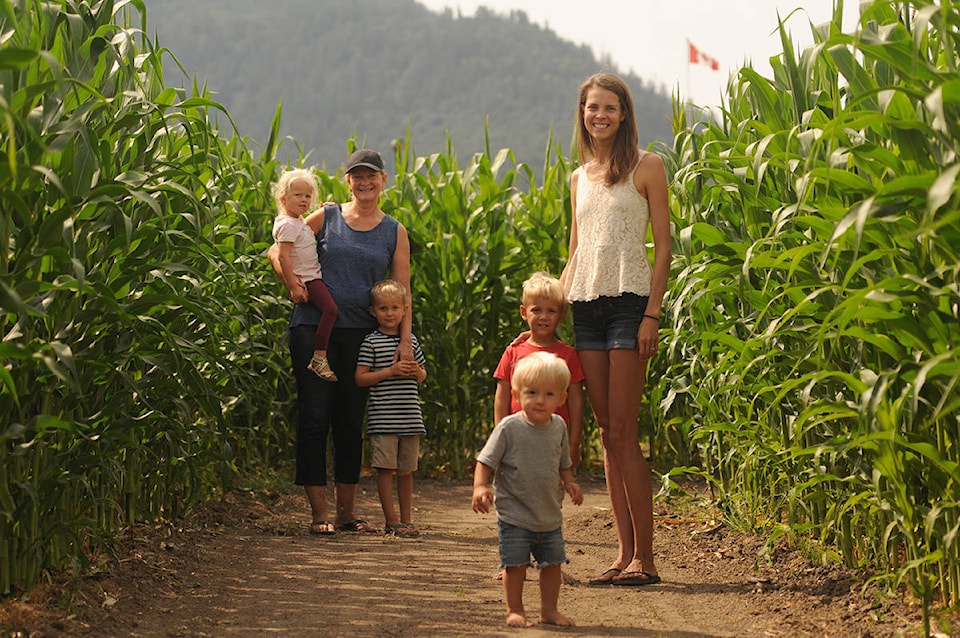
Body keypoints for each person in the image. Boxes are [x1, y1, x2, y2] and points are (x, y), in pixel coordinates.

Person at [559, 73, 670, 587]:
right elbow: (577, 247)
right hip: (586, 308)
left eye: (608, 107)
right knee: (607, 431)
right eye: (590, 107)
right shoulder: (578, 177)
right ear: (582, 113)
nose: (598, 115)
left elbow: (664, 248)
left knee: (625, 432)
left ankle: (647, 561)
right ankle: (623, 555)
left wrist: (652, 314)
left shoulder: (648, 166)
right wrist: (553, 299)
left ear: (624, 113)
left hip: (630, 305)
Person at [268, 148, 413, 536]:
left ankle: (347, 514)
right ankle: (319, 515)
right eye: (356, 176)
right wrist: (291, 281)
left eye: (372, 176)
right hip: (314, 330)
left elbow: (403, 291)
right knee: (315, 419)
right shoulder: (328, 216)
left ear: (384, 180)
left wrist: (404, 339)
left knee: (350, 422)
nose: (364, 182)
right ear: (347, 181)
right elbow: (278, 244)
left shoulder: (393, 230)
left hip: (362, 336)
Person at [473, 352, 584, 628]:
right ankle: (515, 609)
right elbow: (485, 460)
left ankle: (549, 610)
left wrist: (569, 482)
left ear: (562, 399)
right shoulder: (509, 428)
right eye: (532, 392)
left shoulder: (558, 426)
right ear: (516, 393)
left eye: (549, 394)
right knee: (515, 564)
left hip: (548, 513)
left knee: (552, 564)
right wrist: (480, 486)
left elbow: (562, 461)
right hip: (514, 513)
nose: (539, 400)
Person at [355, 279, 427, 537]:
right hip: (383, 419)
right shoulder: (371, 342)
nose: (390, 313)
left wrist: (415, 370)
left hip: (410, 418)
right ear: (373, 311)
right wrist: (390, 371)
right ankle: (392, 521)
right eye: (383, 308)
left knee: (406, 472)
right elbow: (360, 378)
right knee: (386, 471)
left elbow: (422, 375)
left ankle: (407, 520)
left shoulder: (410, 343)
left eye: (395, 308)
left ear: (405, 310)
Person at [494, 271, 584, 468]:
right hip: (517, 440)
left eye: (551, 311)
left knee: (551, 491)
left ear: (561, 315)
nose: (544, 317)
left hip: (554, 442)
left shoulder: (569, 356)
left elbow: (576, 402)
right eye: (536, 310)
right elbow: (502, 397)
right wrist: (499, 436)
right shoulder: (512, 352)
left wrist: (574, 443)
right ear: (524, 312)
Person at [271, 168, 339, 381]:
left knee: (330, 310)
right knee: (331, 310)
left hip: (310, 276)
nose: (304, 200)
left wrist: (324, 210)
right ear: (283, 198)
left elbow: (304, 231)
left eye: (308, 196)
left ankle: (319, 356)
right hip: (308, 279)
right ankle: (319, 357)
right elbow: (282, 257)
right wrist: (293, 285)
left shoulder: (296, 221)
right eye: (298, 195)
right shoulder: (288, 225)